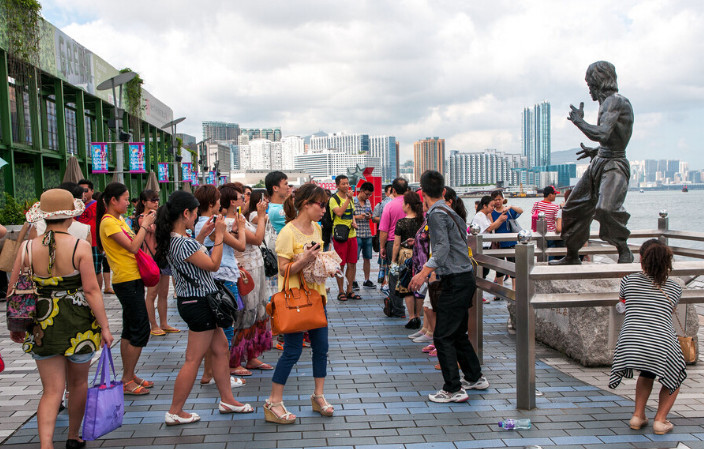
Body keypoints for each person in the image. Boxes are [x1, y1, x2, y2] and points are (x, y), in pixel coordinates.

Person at [9, 189, 113, 449]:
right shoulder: (80, 246)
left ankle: (46, 444)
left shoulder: (26, 248)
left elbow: (13, 290)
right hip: (79, 322)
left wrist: (15, 325)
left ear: (43, 218)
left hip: (42, 322)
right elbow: (91, 290)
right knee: (78, 384)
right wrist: (106, 327)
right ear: (70, 218)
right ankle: (73, 436)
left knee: (51, 391)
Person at [154, 191, 253, 426]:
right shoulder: (181, 241)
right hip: (199, 303)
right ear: (185, 213)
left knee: (220, 350)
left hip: (198, 301)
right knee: (193, 359)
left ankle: (227, 399)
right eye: (195, 213)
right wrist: (219, 235)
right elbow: (212, 264)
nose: (197, 216)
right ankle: (175, 411)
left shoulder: (176, 240)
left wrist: (201, 235)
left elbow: (193, 257)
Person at [409, 170, 489, 403]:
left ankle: (453, 389)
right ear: (443, 191)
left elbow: (441, 250)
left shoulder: (436, 214)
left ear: (422, 192)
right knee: (456, 334)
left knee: (443, 336)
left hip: (454, 281)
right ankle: (474, 377)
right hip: (464, 278)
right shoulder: (451, 210)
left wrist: (424, 272)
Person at [553, 61, 634, 265]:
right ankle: (572, 255)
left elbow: (603, 133)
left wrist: (579, 121)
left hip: (614, 164)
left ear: (599, 82)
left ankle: (624, 248)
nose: (589, 89)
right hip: (600, 160)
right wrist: (597, 151)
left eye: (590, 84)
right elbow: (611, 137)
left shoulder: (615, 101)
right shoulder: (605, 103)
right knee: (572, 208)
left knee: (606, 208)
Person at [264, 183, 333, 424]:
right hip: (294, 300)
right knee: (292, 351)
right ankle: (274, 402)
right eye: (321, 204)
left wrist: (326, 265)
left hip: (317, 296)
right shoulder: (288, 233)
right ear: (306, 204)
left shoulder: (317, 228)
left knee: (321, 348)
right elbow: (283, 271)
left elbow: (317, 261)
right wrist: (304, 260)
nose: (324, 209)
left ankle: (319, 396)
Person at [609, 239, 686, 435]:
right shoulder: (675, 287)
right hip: (661, 340)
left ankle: (638, 416)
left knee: (647, 371)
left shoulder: (628, 280)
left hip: (630, 340)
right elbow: (670, 309)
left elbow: (622, 305)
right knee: (675, 373)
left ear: (642, 259)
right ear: (667, 262)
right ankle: (660, 420)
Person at [97, 182, 155, 395]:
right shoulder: (108, 223)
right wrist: (144, 226)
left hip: (133, 277)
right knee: (140, 328)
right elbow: (133, 246)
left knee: (130, 328)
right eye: (125, 199)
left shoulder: (118, 220)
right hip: (125, 280)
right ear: (113, 200)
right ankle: (127, 379)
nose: (128, 203)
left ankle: (128, 375)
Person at [226, 184, 274, 375]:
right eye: (242, 196)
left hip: (257, 266)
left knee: (259, 311)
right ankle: (235, 359)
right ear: (232, 201)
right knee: (245, 313)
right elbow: (256, 238)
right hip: (246, 270)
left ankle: (252, 356)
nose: (246, 199)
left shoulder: (241, 218)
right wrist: (261, 215)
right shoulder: (231, 222)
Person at [135, 189, 178, 336]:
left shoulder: (158, 216)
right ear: (143, 202)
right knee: (152, 294)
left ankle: (164, 323)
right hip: (151, 259)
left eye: (157, 199)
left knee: (164, 293)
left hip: (162, 257)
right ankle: (153, 324)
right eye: (152, 200)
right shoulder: (142, 218)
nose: (155, 202)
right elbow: (155, 229)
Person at [391, 191, 425, 329]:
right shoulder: (423, 221)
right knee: (419, 286)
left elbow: (396, 244)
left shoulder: (401, 223)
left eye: (404, 203)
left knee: (407, 286)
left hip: (405, 256)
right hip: (420, 256)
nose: (402, 206)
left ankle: (412, 317)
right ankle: (418, 315)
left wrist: (393, 260)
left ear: (408, 205)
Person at [379, 178, 409, 317]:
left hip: (393, 244)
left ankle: (398, 309)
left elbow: (383, 230)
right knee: (410, 274)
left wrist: (382, 247)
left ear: (393, 190)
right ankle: (414, 310)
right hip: (411, 244)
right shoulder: (413, 205)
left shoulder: (389, 206)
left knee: (394, 275)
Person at [329, 175, 360, 301]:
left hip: (352, 234)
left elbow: (352, 213)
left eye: (347, 183)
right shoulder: (334, 199)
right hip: (340, 235)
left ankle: (349, 289)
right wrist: (348, 199)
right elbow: (339, 212)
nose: (346, 186)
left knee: (352, 263)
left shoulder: (350, 198)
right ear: (337, 185)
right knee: (340, 264)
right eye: (343, 184)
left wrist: (354, 222)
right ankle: (341, 291)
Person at [471, 196, 508, 298]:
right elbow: (490, 227)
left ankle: (479, 296)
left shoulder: (485, 215)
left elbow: (491, 226)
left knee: (484, 272)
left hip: (485, 247)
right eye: (491, 205)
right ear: (484, 205)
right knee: (481, 273)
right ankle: (477, 296)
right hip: (481, 247)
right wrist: (500, 219)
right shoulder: (480, 216)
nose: (493, 207)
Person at [77, 179, 109, 292]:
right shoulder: (75, 207)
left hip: (95, 243)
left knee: (96, 270)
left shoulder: (97, 205)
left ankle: (97, 293)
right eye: (81, 190)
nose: (83, 193)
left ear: (92, 191)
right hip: (77, 242)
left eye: (86, 190)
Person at [489, 190, 523, 293]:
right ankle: (500, 291)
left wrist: (511, 206)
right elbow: (491, 227)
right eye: (495, 200)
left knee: (513, 266)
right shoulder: (491, 213)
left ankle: (514, 290)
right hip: (498, 243)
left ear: (503, 199)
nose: (497, 201)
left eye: (499, 199)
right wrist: (500, 220)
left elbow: (521, 211)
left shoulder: (508, 210)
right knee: (499, 268)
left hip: (511, 242)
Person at [353, 182, 375, 290]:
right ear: (361, 191)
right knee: (353, 259)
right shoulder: (352, 201)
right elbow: (349, 216)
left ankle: (367, 280)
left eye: (369, 195)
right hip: (356, 234)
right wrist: (358, 217)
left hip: (367, 233)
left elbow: (370, 214)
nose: (368, 196)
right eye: (366, 194)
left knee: (367, 258)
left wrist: (368, 216)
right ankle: (353, 280)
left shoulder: (368, 202)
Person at [373, 184, 394, 294]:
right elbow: (374, 218)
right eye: (390, 191)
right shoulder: (381, 204)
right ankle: (384, 282)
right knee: (384, 262)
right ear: (386, 193)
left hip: (386, 236)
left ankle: (387, 283)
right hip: (385, 236)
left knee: (386, 262)